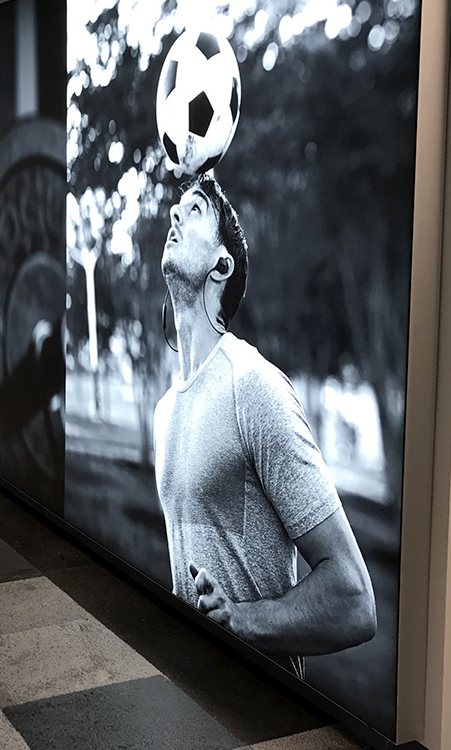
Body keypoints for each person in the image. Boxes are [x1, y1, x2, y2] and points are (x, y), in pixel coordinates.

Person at [154, 173, 376, 679]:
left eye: (194, 211)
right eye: (177, 208)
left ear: (221, 265)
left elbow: (355, 599)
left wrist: (242, 621)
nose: (174, 215)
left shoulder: (255, 387)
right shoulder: (165, 411)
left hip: (260, 713)